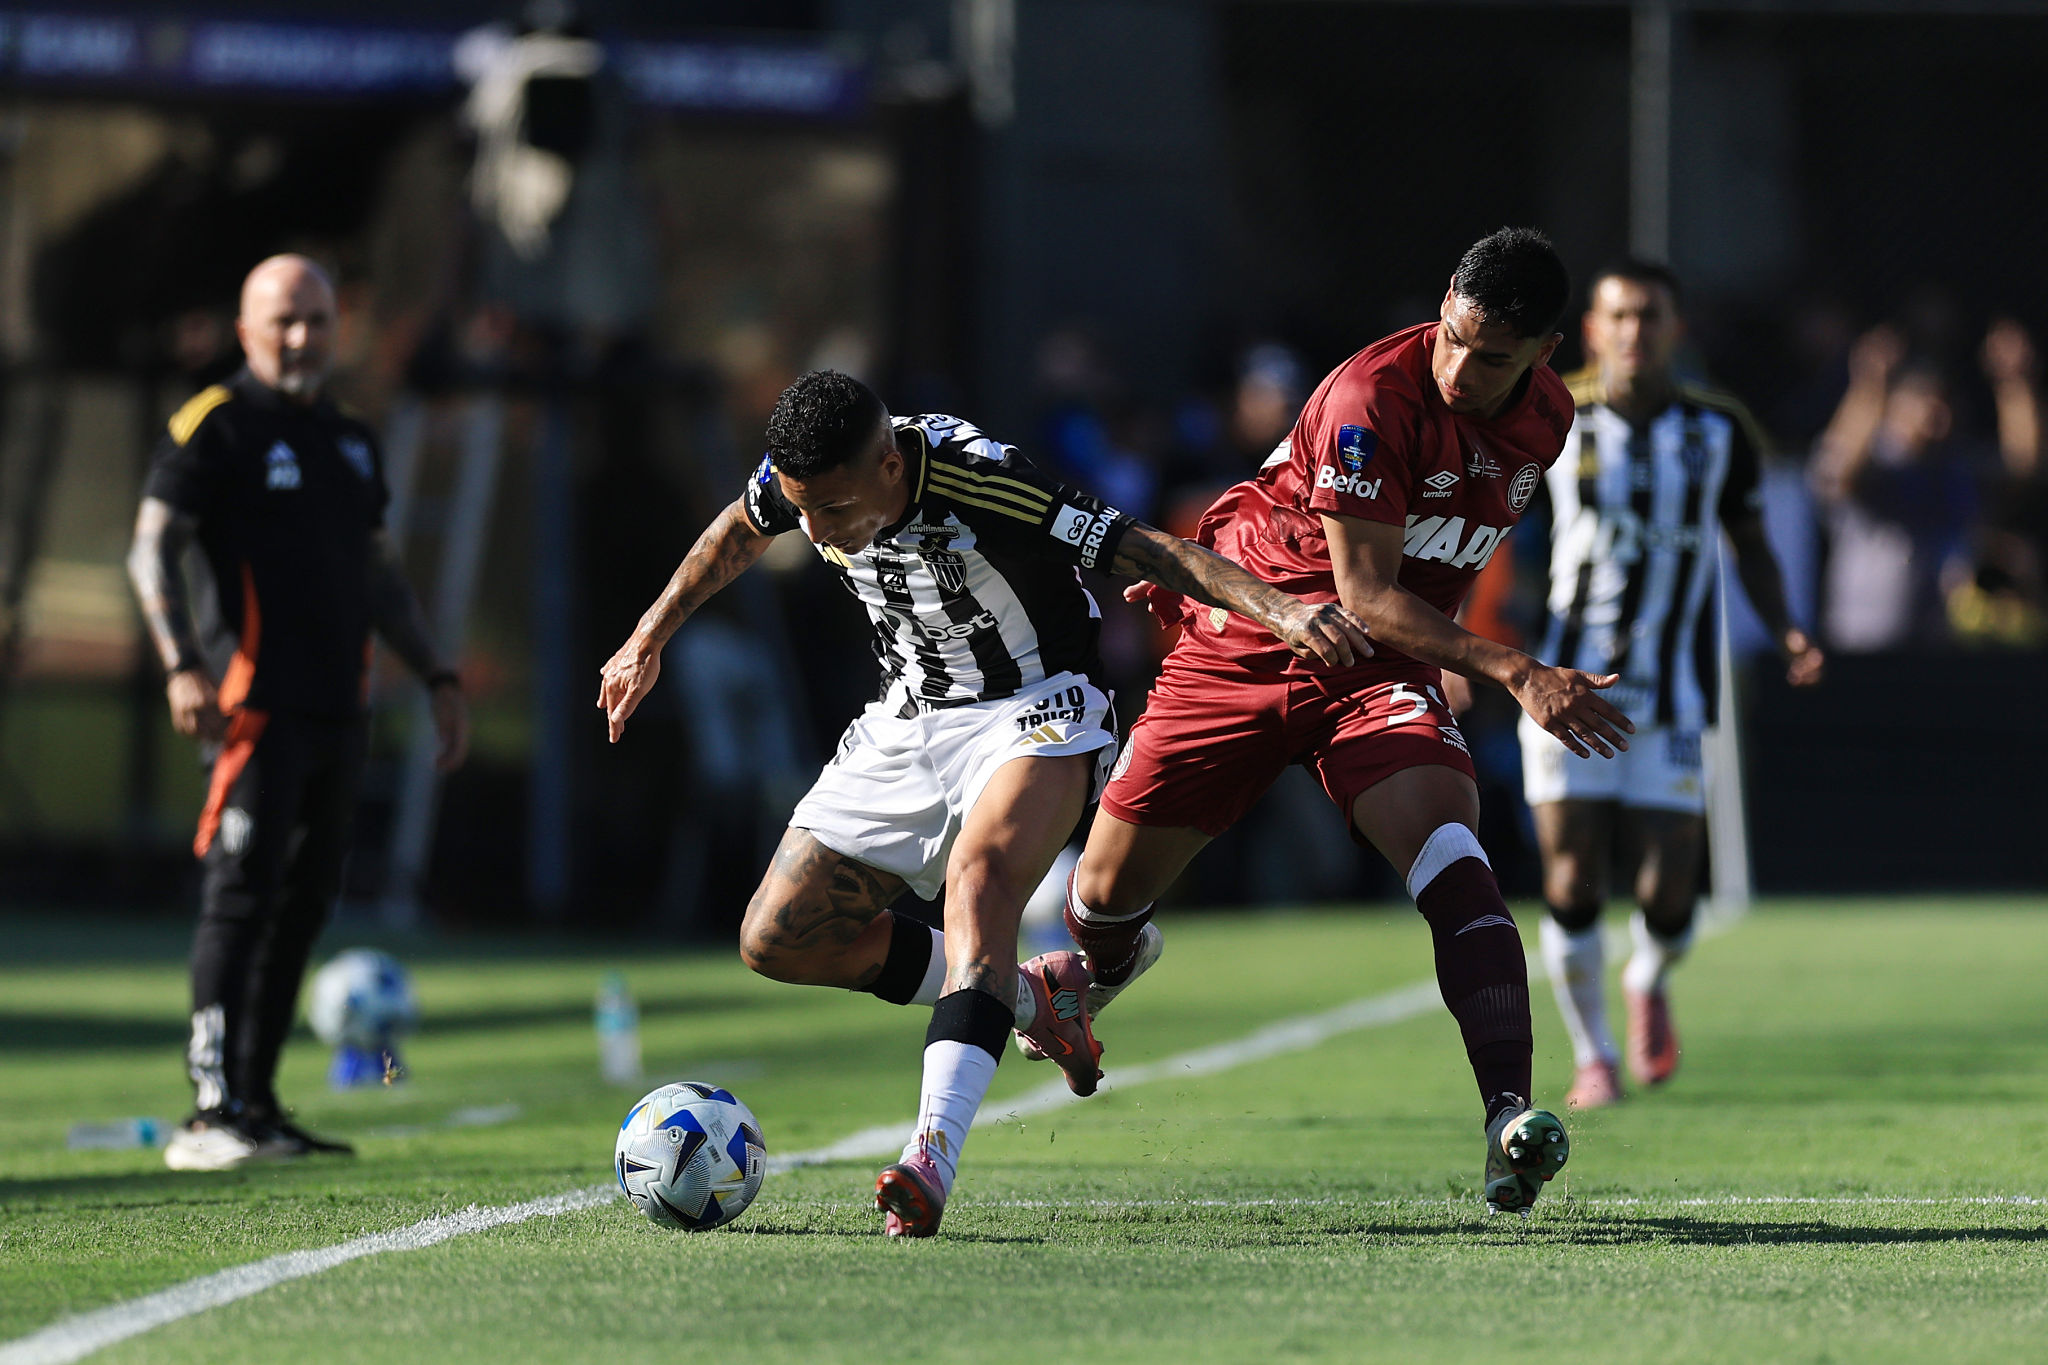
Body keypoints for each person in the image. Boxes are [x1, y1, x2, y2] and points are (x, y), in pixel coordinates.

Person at [597, 370, 1369, 1237]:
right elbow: (740, 527)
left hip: (1037, 707)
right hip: (912, 710)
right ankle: (1039, 1002)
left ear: (891, 466)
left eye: (834, 509)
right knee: (776, 937)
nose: (814, 529)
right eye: (802, 506)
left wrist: (1283, 610)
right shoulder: (806, 482)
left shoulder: (983, 479)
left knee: (979, 883)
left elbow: (1148, 546)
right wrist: (646, 636)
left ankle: (929, 1157)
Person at [1054, 228, 1617, 1216]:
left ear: (1544, 353)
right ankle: (1097, 973)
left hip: (1375, 663)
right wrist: (1507, 670)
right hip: (1255, 628)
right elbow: (1360, 588)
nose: (1458, 367)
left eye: (1490, 358)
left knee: (1452, 853)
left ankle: (1507, 1121)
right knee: (1097, 902)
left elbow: (1442, 553)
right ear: (1444, 300)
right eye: (1453, 336)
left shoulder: (1548, 420)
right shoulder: (1370, 400)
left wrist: (1431, 663)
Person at [127, 255, 470, 1171]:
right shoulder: (215, 425)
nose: (301, 336)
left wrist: (436, 672)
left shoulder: (352, 441)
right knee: (239, 899)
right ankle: (207, 1111)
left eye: (316, 318)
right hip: (253, 709)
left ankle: (259, 1101)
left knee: (304, 903)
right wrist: (180, 664)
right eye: (283, 319)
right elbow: (149, 549)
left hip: (339, 711)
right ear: (246, 329)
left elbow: (379, 573)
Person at [1518, 261, 1823, 1111]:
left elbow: (1752, 543)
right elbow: (1487, 526)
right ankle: (1594, 1056)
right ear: (1591, 329)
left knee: (1669, 886)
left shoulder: (1720, 430)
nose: (1633, 332)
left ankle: (1649, 973)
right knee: (1573, 879)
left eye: (1650, 316)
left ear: (1675, 329)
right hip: (1563, 683)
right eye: (1618, 315)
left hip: (1679, 688)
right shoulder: (1549, 416)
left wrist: (1790, 627)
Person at [1810, 326, 1980, 652]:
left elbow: (2016, 477)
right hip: (1863, 634)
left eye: (1944, 403)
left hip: (1930, 636)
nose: (1937, 415)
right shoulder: (1875, 453)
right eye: (1926, 402)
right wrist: (1870, 386)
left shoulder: (1950, 465)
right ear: (1898, 404)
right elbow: (1840, 472)